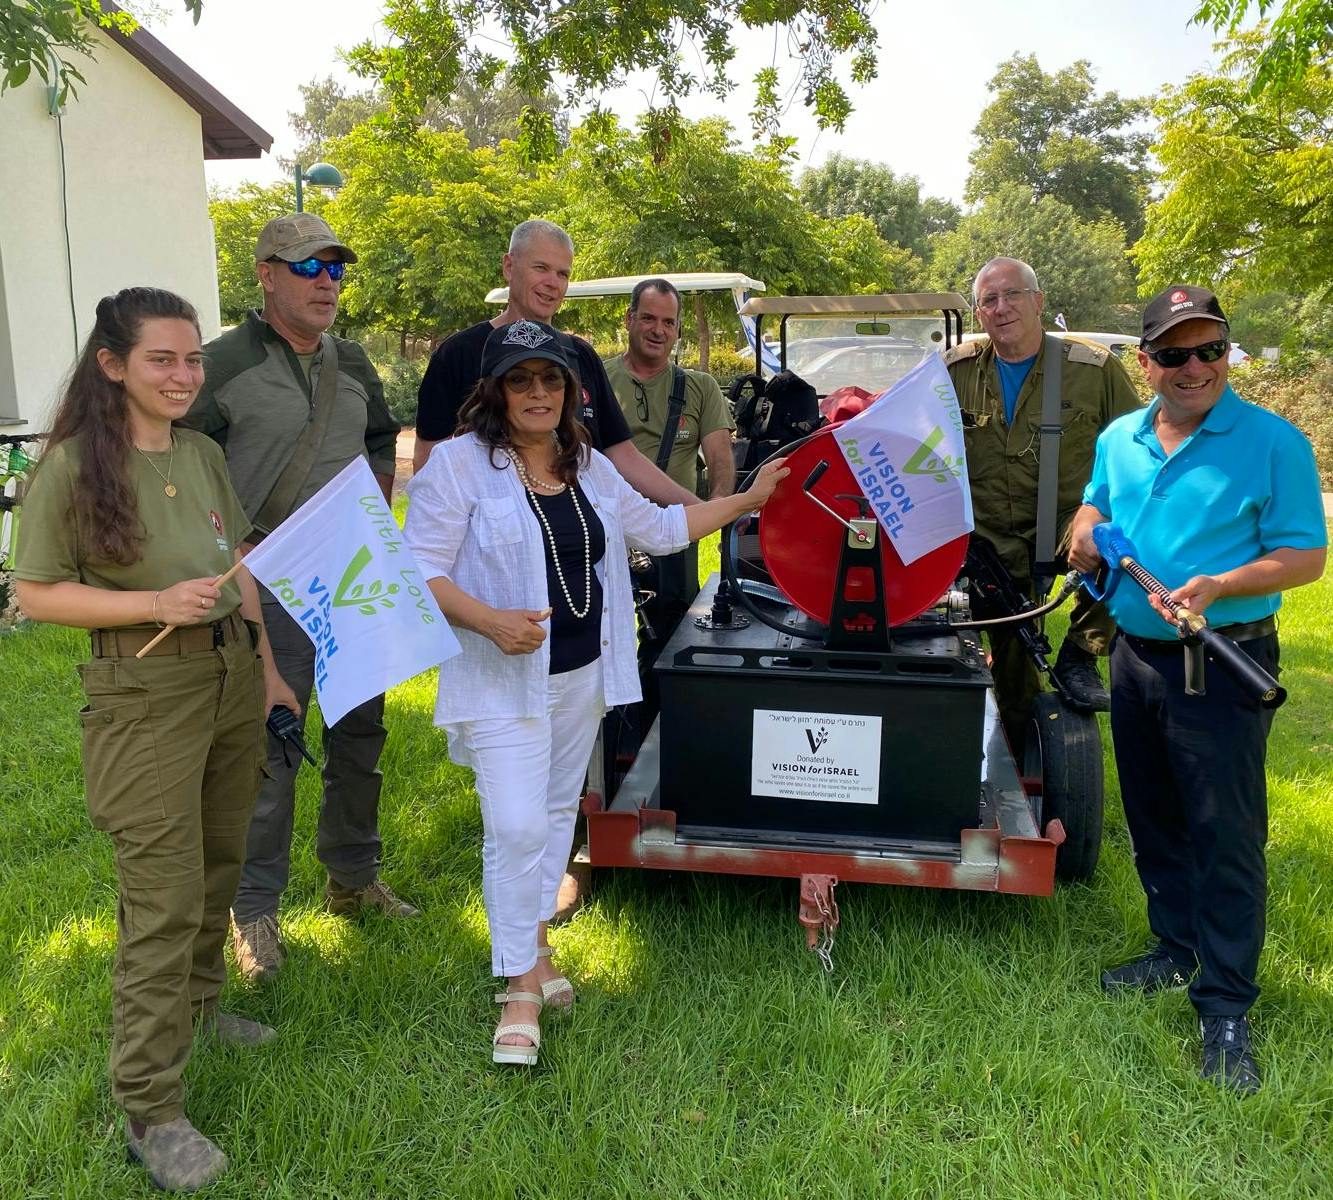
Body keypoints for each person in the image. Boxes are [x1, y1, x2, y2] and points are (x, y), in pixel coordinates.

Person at [403, 320, 787, 1066]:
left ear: (572, 391)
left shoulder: (588, 466)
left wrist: (746, 502)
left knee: (551, 818)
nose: (539, 393)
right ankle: (517, 985)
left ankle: (535, 949)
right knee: (514, 825)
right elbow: (416, 568)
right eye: (522, 380)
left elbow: (665, 529)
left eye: (551, 379)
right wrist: (487, 621)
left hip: (579, 675)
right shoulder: (457, 467)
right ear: (495, 391)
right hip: (501, 677)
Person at [14, 288, 300, 1191]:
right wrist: (149, 602)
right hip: (140, 690)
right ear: (112, 365)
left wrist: (267, 672)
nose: (183, 377)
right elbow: (35, 593)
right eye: (160, 361)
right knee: (163, 896)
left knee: (220, 862)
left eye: (191, 360)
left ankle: (204, 1006)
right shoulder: (70, 467)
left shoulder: (203, 453)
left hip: (224, 679)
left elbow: (235, 564)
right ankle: (151, 1107)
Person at [1069, 285, 1326, 1094]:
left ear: (1226, 354)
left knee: (1225, 835)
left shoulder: (1272, 442)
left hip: (1221, 661)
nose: (1194, 368)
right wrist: (1082, 529)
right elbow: (1094, 504)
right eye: (1174, 353)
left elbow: (1303, 556)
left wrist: (1220, 582)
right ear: (1145, 363)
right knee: (1153, 818)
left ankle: (1224, 1006)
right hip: (1135, 657)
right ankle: (1173, 950)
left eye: (1208, 349)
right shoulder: (1120, 436)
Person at [179, 213, 416, 986]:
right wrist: (229, 547)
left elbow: (381, 439)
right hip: (266, 579)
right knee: (273, 742)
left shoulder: (352, 361)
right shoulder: (220, 365)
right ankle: (253, 910)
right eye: (308, 267)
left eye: (336, 269)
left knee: (360, 733)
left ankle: (351, 877)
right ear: (266, 274)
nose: (326, 283)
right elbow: (183, 464)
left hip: (352, 573)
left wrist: (374, 508)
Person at [943, 257, 1141, 748]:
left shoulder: (1093, 371)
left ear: (1038, 301)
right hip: (988, 534)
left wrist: (1100, 513)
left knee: (1125, 545)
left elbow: (1139, 452)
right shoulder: (956, 371)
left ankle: (1081, 651)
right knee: (1015, 672)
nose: (1001, 308)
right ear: (978, 312)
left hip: (1066, 520)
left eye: (1012, 295)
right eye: (989, 300)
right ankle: (1019, 757)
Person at [412, 219, 699, 509]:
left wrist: (700, 507)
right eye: (541, 268)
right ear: (509, 266)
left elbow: (620, 454)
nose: (552, 283)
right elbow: (428, 458)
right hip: (496, 544)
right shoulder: (459, 353)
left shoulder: (580, 356)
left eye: (562, 273)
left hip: (580, 538)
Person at [604, 278, 735, 673]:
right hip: (606, 526)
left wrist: (715, 510)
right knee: (602, 634)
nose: (658, 330)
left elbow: (720, 459)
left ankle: (659, 721)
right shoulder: (596, 379)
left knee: (671, 637)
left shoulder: (700, 386)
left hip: (674, 528)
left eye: (668, 322)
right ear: (628, 319)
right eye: (647, 318)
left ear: (678, 328)